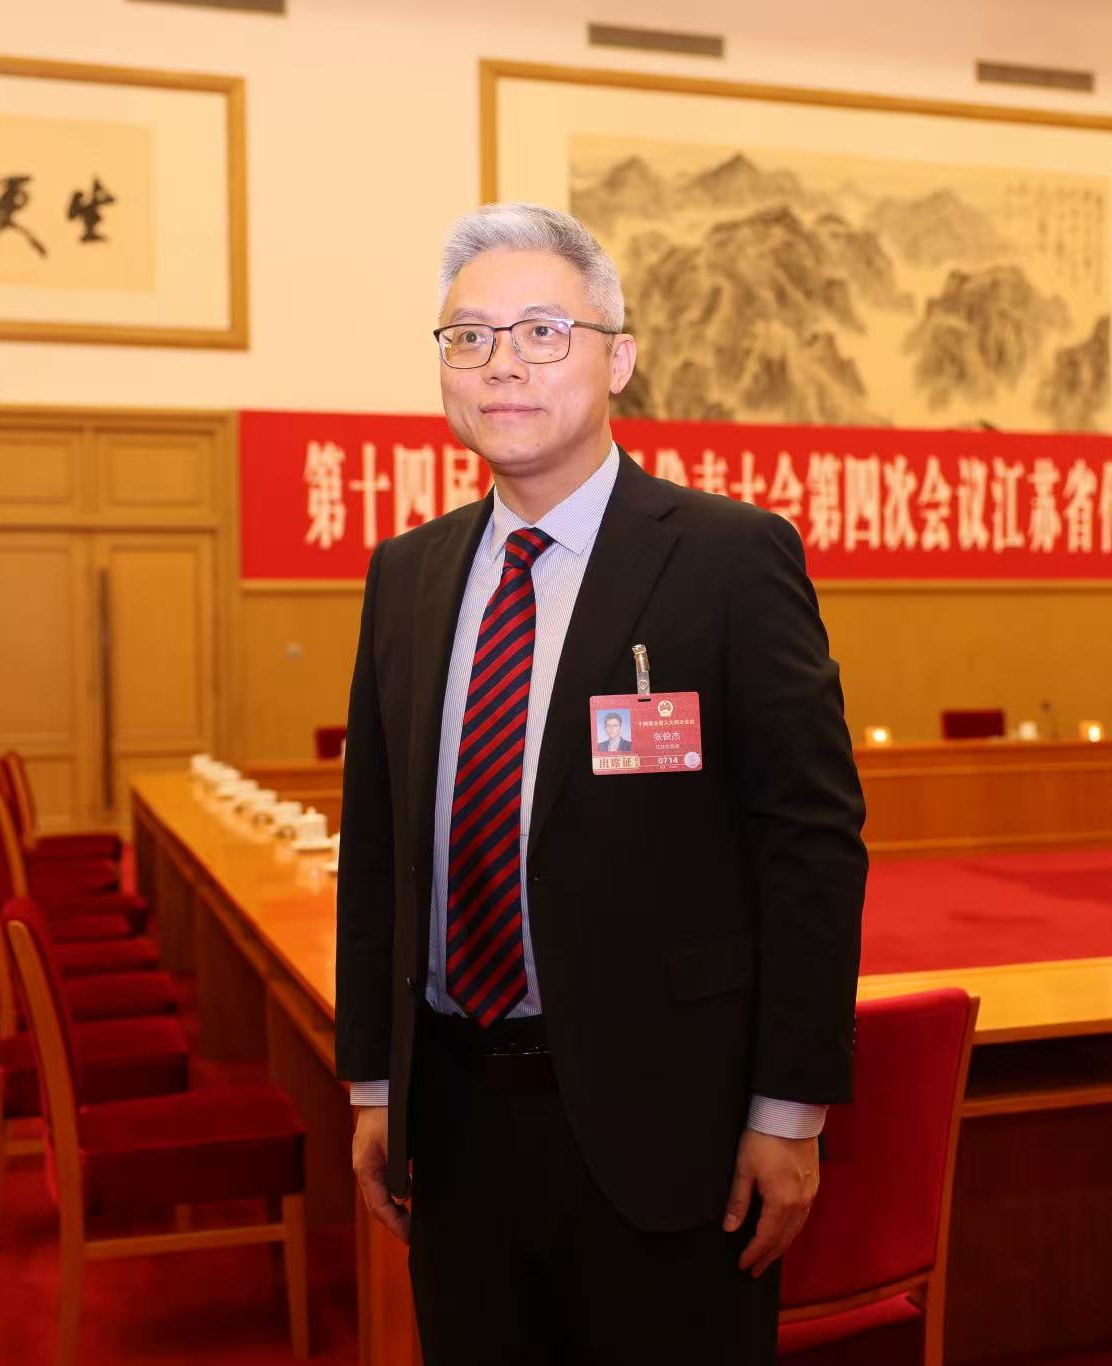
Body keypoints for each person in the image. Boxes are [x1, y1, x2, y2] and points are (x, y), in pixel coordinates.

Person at [335, 202, 866, 1365]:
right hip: (454, 1120)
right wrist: (374, 1082)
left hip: (670, 1123)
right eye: (468, 338)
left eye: (541, 331)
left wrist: (788, 1110)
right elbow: (376, 847)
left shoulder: (727, 558)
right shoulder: (406, 576)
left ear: (617, 358)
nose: (501, 365)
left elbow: (810, 845)